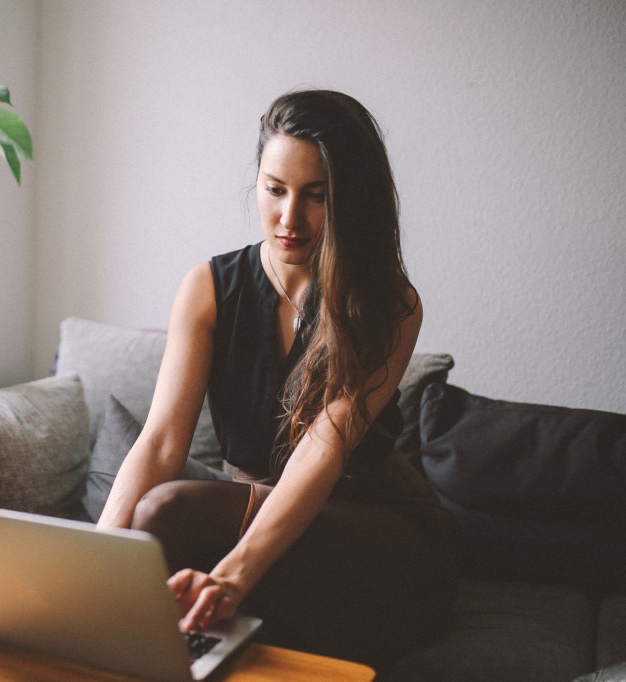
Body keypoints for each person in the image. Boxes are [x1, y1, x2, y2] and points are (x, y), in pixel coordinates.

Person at [96, 90, 459, 668]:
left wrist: (233, 578)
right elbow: (163, 440)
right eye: (275, 190)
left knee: (167, 511)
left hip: (378, 534)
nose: (289, 219)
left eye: (317, 197)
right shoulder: (209, 288)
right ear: (257, 182)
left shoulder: (390, 305)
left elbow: (322, 452)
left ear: (351, 201)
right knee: (143, 533)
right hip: (271, 524)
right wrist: (96, 555)